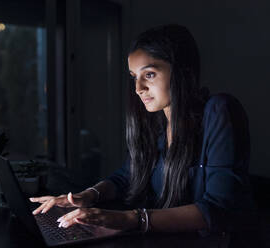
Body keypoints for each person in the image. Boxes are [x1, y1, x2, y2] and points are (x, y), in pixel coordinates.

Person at [29, 24, 259, 245]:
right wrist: (87, 196)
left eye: (149, 74)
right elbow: (126, 176)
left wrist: (132, 219)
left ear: (181, 72)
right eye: (133, 77)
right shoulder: (156, 122)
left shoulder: (219, 110)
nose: (138, 88)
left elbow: (218, 209)